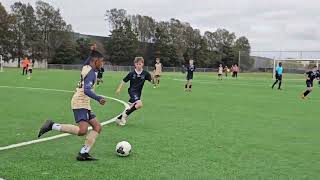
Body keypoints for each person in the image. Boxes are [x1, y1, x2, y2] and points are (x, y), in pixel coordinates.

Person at [37, 50, 106, 161]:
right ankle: (52, 125)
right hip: (80, 102)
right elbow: (87, 90)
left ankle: (83, 153)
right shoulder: (91, 73)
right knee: (82, 131)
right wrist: (99, 98)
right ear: (95, 61)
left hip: (85, 103)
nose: (102, 64)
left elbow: (89, 59)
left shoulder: (87, 66)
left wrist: (92, 50)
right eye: (101, 61)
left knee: (97, 127)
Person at [115, 57, 152, 126]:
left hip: (138, 93)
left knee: (131, 107)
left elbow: (151, 80)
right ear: (135, 64)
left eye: (140, 64)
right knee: (139, 104)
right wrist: (119, 89)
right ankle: (125, 116)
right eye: (137, 64)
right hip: (132, 91)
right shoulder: (132, 73)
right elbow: (124, 80)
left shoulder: (145, 73)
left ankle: (119, 118)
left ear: (142, 64)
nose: (138, 65)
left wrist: (154, 80)